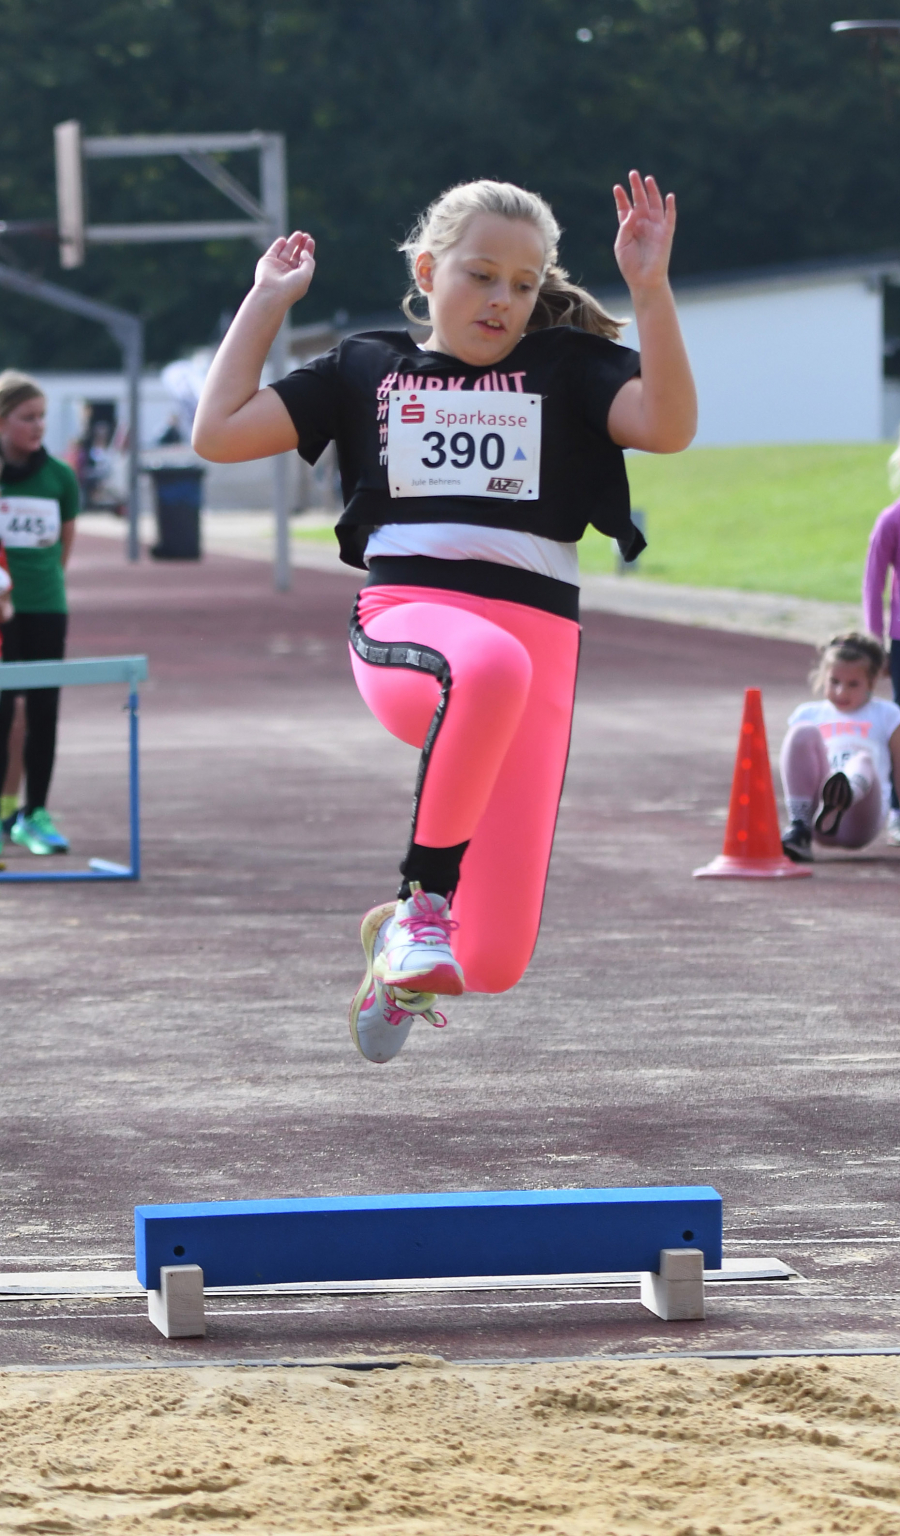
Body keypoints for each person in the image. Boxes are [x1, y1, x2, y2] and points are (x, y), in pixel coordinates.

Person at [193, 174, 697, 1064]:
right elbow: (219, 432)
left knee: (493, 959)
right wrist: (265, 302)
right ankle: (421, 905)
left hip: (543, 645)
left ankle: (396, 951)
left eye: (523, 283)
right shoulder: (367, 367)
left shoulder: (569, 371)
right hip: (412, 625)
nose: (503, 298)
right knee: (487, 666)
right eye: (481, 275)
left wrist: (650, 289)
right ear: (428, 271)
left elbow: (668, 426)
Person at [0, 370, 79, 856]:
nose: (38, 426)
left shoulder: (60, 478)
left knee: (45, 711)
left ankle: (36, 813)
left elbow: (63, 546)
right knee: (4, 712)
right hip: (2, 615)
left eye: (42, 417)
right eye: (27, 418)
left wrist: (43, 586)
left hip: (47, 607)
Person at [780, 631, 900, 862]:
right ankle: (800, 828)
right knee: (801, 731)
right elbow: (795, 770)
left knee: (862, 760)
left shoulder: (888, 715)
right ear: (823, 677)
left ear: (872, 682)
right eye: (834, 682)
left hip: (862, 818)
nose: (841, 692)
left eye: (853, 684)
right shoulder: (809, 713)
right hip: (818, 819)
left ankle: (843, 797)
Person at [862, 444, 900, 843]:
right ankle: (897, 808)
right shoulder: (891, 520)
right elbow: (874, 585)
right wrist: (876, 644)